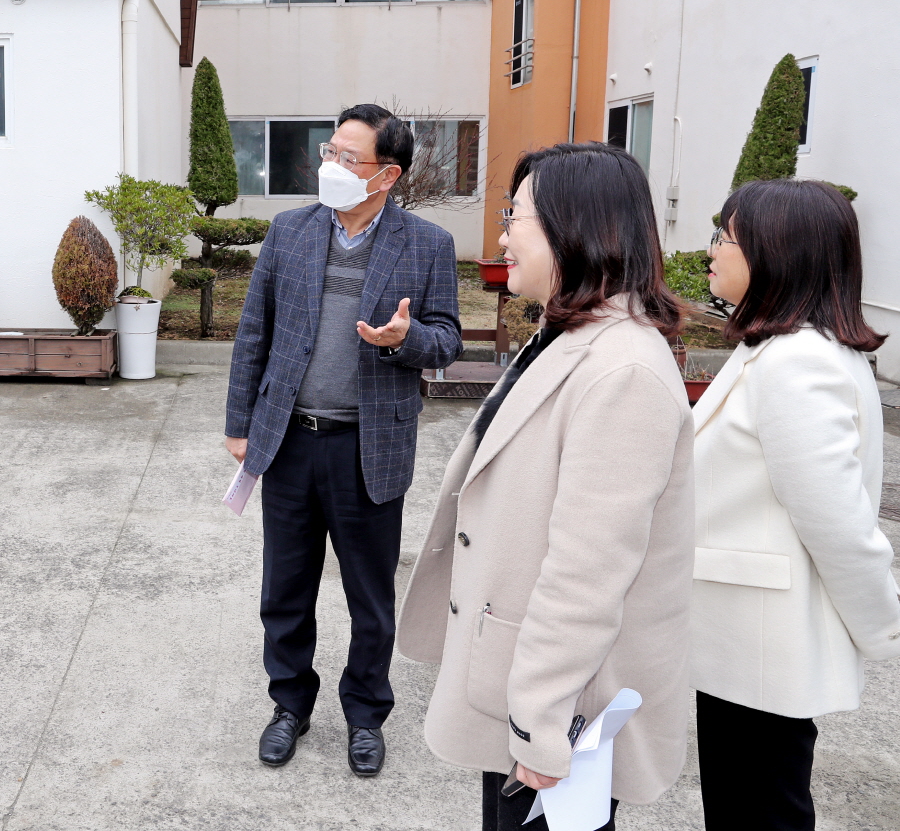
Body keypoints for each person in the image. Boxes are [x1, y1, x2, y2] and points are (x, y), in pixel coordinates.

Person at [397, 143, 694, 830]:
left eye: (516, 215)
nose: (502, 235)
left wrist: (538, 721)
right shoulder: (567, 335)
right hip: (517, 672)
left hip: (557, 701)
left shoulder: (622, 370)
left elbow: (588, 572)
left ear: (576, 227)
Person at [224, 103, 463, 776]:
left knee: (370, 596)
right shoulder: (290, 232)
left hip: (369, 449)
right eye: (329, 153)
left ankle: (365, 714)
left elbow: (445, 339)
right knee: (286, 587)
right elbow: (254, 334)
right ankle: (289, 706)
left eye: (348, 159)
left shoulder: (427, 245)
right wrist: (240, 425)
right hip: (291, 443)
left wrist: (404, 340)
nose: (331, 166)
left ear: (386, 176)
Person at [694, 179, 900, 831]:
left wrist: (882, 627)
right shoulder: (781, 349)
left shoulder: (797, 363)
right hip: (744, 644)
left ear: (777, 252)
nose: (712, 252)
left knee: (759, 813)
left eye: (726, 238)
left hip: (761, 649)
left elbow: (836, 524)